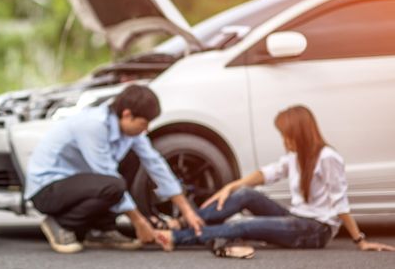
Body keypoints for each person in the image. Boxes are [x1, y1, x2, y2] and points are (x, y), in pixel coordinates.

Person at [155, 105, 395, 257]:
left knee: (243, 226)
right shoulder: (296, 157)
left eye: (286, 136)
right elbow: (266, 174)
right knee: (245, 195)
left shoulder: (327, 158)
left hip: (314, 230)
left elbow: (340, 203)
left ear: (298, 134)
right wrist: (232, 186)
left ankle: (174, 237)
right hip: (296, 218)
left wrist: (360, 240)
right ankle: (179, 224)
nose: (284, 141)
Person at [24, 84, 205, 253]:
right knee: (114, 185)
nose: (146, 129)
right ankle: (60, 224)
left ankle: (100, 230)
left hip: (77, 183)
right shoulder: (93, 125)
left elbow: (155, 163)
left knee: (132, 161)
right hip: (47, 189)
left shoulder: (129, 132)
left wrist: (187, 211)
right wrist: (138, 222)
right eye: (143, 123)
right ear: (127, 114)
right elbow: (106, 174)